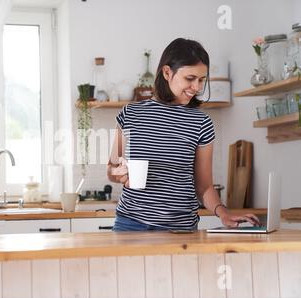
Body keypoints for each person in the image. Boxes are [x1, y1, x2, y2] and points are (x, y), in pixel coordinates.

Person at [107, 38, 260, 231]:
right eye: (190, 78)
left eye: (202, 80)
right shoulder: (130, 114)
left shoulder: (201, 123)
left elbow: (204, 187)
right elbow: (111, 167)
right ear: (167, 72)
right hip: (130, 225)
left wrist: (224, 213)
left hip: (180, 229)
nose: (196, 87)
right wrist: (119, 173)